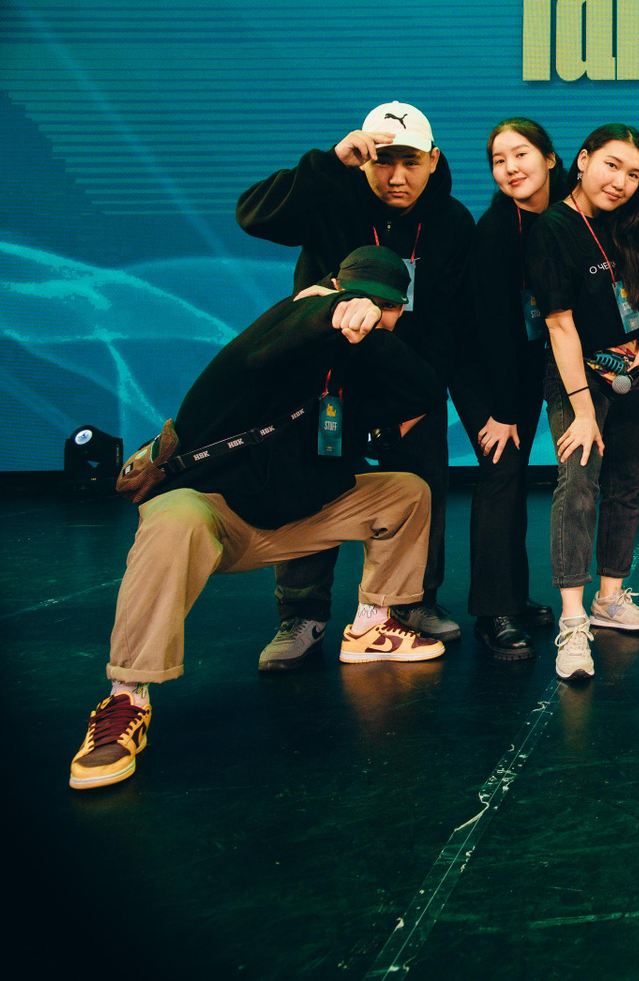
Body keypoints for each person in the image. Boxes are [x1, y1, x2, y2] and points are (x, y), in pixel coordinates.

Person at [70, 248, 445, 790]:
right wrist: (323, 309)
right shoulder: (277, 335)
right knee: (173, 515)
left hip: (296, 522)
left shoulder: (358, 373)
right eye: (355, 297)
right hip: (217, 517)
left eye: (385, 306)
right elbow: (260, 350)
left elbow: (425, 390)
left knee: (406, 492)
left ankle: (371, 625)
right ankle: (126, 699)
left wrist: (372, 335)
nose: (367, 310)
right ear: (331, 289)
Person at [235, 102, 499, 669]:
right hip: (325, 386)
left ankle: (409, 603)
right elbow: (253, 216)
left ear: (434, 160)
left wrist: (421, 396)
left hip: (406, 383)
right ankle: (302, 614)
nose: (396, 177)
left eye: (410, 163)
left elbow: (450, 320)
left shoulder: (453, 222)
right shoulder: (331, 196)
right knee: (311, 489)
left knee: (421, 488)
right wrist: (330, 163)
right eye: (383, 162)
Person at [529, 125, 639, 679]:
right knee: (579, 484)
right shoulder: (552, 228)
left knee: (627, 484)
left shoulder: (628, 223)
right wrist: (584, 411)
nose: (621, 182)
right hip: (579, 375)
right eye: (612, 166)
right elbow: (559, 326)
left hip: (635, 369)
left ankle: (610, 598)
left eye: (633, 174)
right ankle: (572, 620)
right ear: (583, 160)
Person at [449, 119, 572, 660]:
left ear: (550, 158)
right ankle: (492, 613)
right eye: (499, 161)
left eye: (520, 154)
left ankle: (515, 597)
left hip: (523, 362)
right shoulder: (496, 230)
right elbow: (495, 327)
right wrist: (501, 411)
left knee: (517, 474)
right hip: (481, 368)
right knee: (501, 472)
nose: (510, 168)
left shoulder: (567, 210)